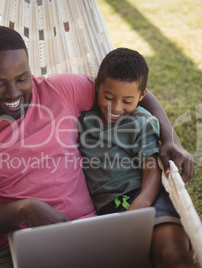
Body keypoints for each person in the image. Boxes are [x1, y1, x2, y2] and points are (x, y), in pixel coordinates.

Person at [0, 26, 194, 267]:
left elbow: (132, 90)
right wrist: (24, 209)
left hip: (90, 229)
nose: (13, 91)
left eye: (22, 78)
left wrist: (171, 139)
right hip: (20, 244)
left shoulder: (62, 90)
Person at [78, 48, 195, 267]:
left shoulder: (140, 122)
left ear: (142, 96)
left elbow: (151, 167)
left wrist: (142, 202)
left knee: (172, 256)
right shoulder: (84, 119)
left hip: (147, 196)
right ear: (97, 86)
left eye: (127, 101)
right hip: (110, 208)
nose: (115, 107)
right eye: (108, 97)